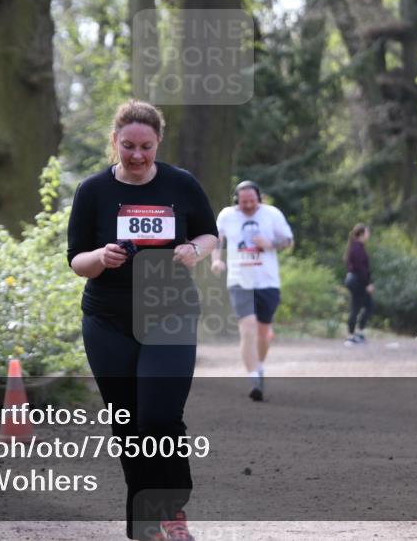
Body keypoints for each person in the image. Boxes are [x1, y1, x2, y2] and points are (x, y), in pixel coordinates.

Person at [67, 100, 218, 541]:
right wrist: (101, 256)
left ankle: (172, 510)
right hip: (108, 319)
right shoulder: (93, 191)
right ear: (115, 142)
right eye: (128, 145)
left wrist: (196, 251)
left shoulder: (182, 185)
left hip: (169, 313)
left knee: (159, 417)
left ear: (158, 143)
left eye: (146, 147)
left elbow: (209, 233)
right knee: (128, 421)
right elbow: (77, 260)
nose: (136, 155)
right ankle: (146, 521)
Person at [210, 181, 293, 401]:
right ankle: (254, 377)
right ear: (237, 200)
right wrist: (217, 260)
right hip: (239, 280)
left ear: (259, 198)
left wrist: (270, 243)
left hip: (267, 281)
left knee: (264, 333)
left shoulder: (272, 214)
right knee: (247, 328)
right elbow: (217, 239)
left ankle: (260, 365)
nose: (248, 206)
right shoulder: (227, 215)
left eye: (252, 201)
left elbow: (288, 240)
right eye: (244, 202)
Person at [343, 223, 374, 346]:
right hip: (357, 282)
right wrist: (368, 284)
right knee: (356, 307)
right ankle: (351, 335)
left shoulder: (357, 247)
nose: (368, 235)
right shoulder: (357, 248)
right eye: (367, 232)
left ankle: (358, 332)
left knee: (368, 305)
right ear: (361, 234)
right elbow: (361, 268)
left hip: (357, 281)